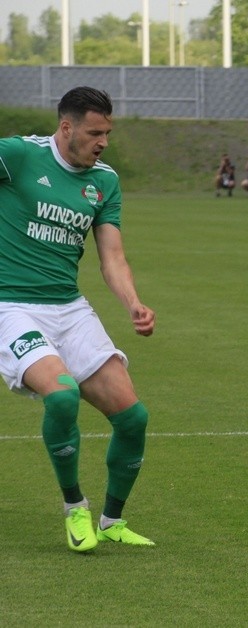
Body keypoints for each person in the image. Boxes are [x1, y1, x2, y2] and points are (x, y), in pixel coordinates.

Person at [0, 86, 156, 551]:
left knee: (133, 417)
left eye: (107, 132)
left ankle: (113, 521)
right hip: (11, 307)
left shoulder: (104, 181)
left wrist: (133, 302)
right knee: (62, 397)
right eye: (94, 132)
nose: (103, 141)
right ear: (66, 127)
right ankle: (75, 510)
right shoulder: (18, 155)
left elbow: (112, 258)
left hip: (69, 308)